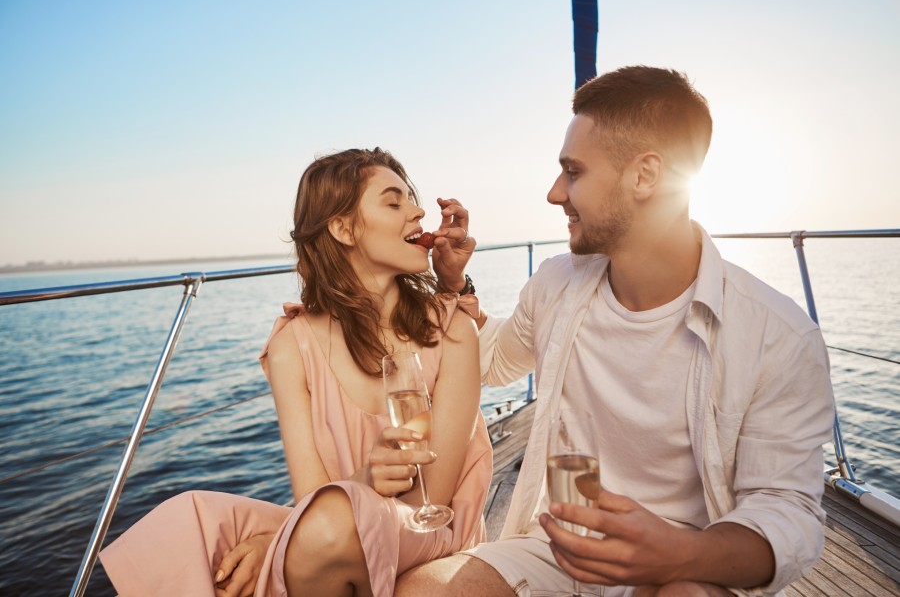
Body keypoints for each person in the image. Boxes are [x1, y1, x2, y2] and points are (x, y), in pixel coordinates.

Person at [395, 66, 835, 596]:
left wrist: (679, 555)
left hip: (686, 564)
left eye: (573, 172)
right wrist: (452, 282)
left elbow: (788, 511)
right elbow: (489, 364)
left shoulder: (778, 336)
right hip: (558, 549)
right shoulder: (556, 284)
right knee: (424, 589)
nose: (555, 193)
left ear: (645, 176)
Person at [99, 147, 492, 597]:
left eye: (411, 198)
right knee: (187, 522)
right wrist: (361, 483)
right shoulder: (293, 345)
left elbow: (433, 502)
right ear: (343, 228)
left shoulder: (454, 330)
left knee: (314, 532)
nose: (419, 211)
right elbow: (312, 494)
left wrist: (283, 541)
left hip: (431, 527)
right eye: (394, 201)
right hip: (336, 521)